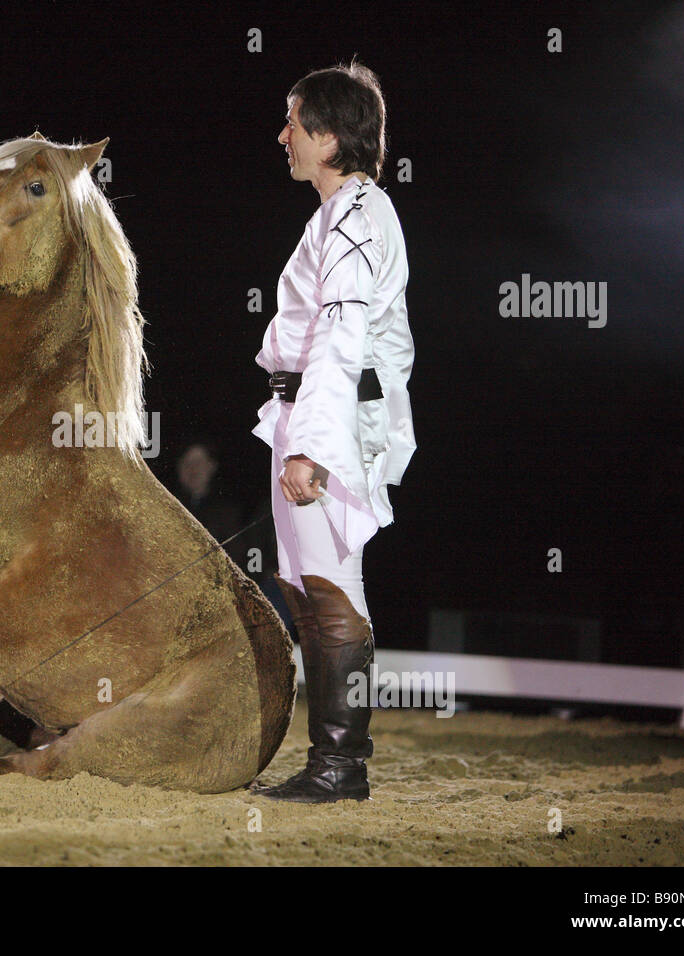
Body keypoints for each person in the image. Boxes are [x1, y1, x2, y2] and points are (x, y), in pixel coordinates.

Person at [250, 61, 416, 803]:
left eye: (293, 122)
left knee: (330, 590)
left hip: (327, 419)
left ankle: (340, 767)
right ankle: (333, 763)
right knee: (309, 589)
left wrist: (312, 445)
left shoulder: (353, 213)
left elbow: (343, 336)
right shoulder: (341, 213)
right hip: (314, 413)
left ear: (327, 134)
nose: (282, 135)